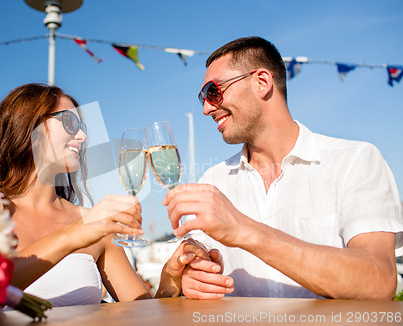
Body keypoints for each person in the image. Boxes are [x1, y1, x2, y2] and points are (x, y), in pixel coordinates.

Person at [165, 36, 403, 301]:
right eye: (203, 98)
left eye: (213, 91)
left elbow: (379, 283)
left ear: (262, 82)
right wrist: (185, 276)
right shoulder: (213, 180)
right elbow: (178, 276)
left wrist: (245, 230)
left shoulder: (355, 161)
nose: (207, 108)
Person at [0, 83, 219, 306]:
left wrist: (170, 278)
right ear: (28, 126)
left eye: (82, 126)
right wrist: (75, 234)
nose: (82, 136)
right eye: (70, 123)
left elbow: (142, 313)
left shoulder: (95, 225)